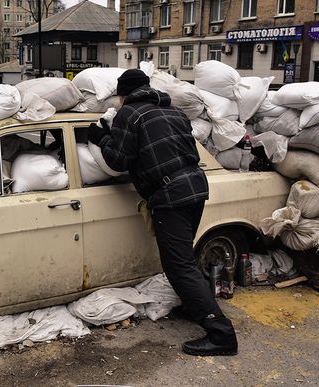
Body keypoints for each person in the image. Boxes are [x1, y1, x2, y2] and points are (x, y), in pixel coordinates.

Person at [87, 69, 238, 357]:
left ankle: (221, 334)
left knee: (178, 265)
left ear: (123, 95)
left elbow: (118, 161)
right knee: (185, 260)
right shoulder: (174, 112)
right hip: (195, 188)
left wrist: (101, 137)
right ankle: (196, 308)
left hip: (171, 195)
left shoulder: (129, 114)